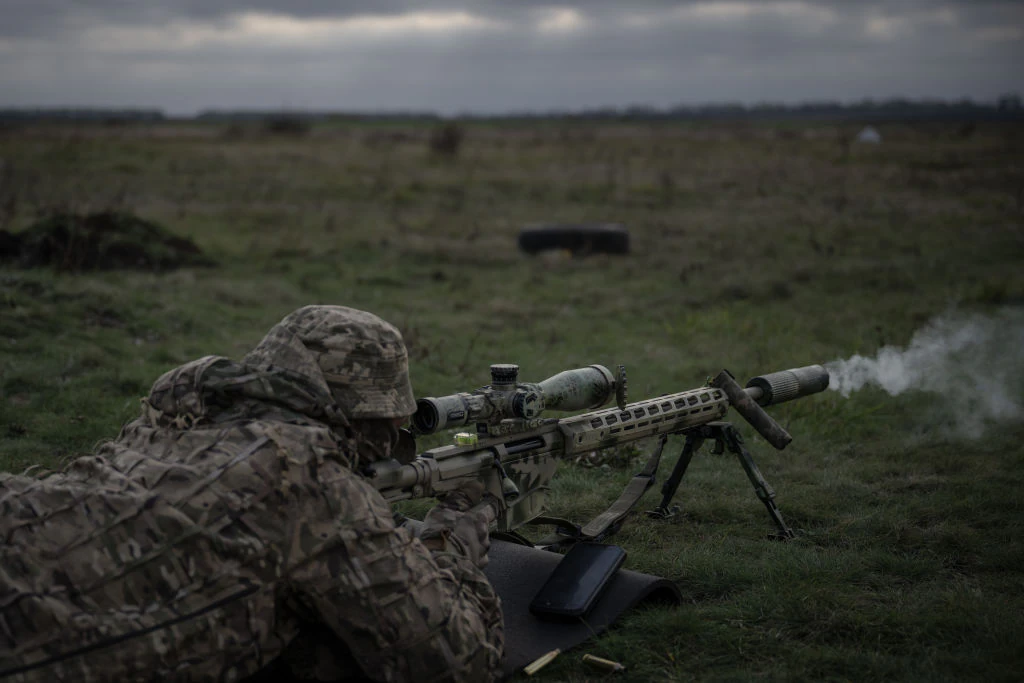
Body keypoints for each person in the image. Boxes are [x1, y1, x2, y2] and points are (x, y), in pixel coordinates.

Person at [0, 305, 504, 682]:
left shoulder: (168, 422)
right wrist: (451, 542)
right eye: (390, 418)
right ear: (365, 413)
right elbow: (456, 663)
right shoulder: (302, 475)